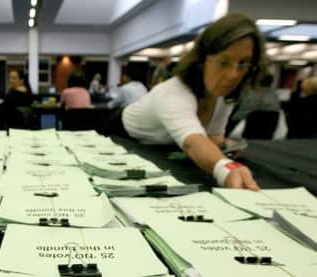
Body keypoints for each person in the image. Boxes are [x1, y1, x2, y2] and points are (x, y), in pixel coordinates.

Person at [109, 13, 266, 190]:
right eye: (224, 62)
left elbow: (213, 138)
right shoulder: (174, 91)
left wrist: (224, 147)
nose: (233, 75)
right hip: (120, 133)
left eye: (243, 63)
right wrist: (227, 168)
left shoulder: (224, 96)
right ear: (203, 60)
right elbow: (193, 142)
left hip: (163, 144)